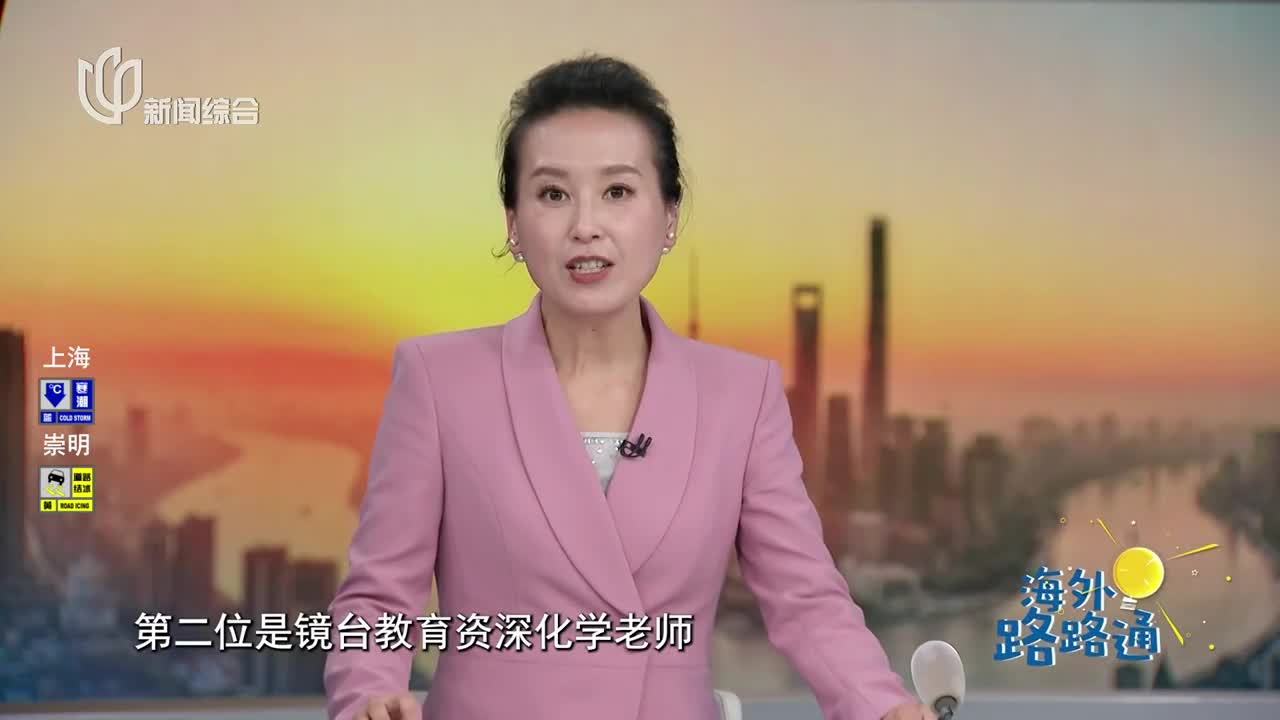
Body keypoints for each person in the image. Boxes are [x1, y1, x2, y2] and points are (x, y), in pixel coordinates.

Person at [324, 53, 934, 720]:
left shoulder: (741, 394)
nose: (585, 225)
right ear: (513, 223)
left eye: (617, 192)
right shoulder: (439, 380)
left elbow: (806, 599)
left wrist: (883, 707)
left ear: (668, 217)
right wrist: (368, 695)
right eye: (553, 194)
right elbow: (378, 599)